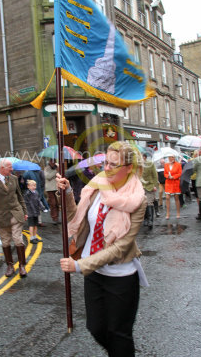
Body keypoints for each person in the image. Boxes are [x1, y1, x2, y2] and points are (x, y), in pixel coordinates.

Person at [58, 141, 147, 357]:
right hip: (95, 275)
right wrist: (68, 192)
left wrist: (80, 265)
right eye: (105, 162)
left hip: (121, 276)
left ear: (129, 168)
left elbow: (122, 246)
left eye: (113, 165)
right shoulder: (97, 188)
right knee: (95, 328)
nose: (106, 168)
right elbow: (76, 218)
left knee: (119, 333)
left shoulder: (137, 199)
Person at [24, 180, 44, 244]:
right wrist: (34, 210)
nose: (34, 187)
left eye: (35, 185)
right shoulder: (27, 194)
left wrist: (41, 206)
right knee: (31, 225)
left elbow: (38, 200)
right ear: (28, 186)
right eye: (32, 185)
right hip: (30, 212)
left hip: (36, 211)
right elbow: (29, 203)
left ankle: (35, 237)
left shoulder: (36, 192)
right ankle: (31, 238)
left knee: (35, 225)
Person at [141, 153, 158, 228]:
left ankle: (150, 220)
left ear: (144, 157)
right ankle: (145, 219)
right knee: (143, 204)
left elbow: (155, 175)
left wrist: (154, 185)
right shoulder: (137, 165)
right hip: (141, 187)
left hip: (149, 186)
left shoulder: (150, 164)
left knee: (149, 202)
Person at [164, 155, 182, 219]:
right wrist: (168, 176)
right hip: (168, 183)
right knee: (167, 198)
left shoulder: (178, 164)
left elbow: (180, 173)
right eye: (171, 157)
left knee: (176, 198)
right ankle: (168, 213)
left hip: (175, 183)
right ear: (169, 158)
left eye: (174, 157)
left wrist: (173, 177)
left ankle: (178, 213)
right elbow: (165, 173)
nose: (173, 158)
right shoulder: (166, 165)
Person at [44, 159, 60, 224]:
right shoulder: (46, 168)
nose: (53, 163)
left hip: (56, 187)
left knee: (57, 203)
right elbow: (48, 177)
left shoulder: (57, 167)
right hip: (50, 189)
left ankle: (57, 217)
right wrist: (56, 171)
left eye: (54, 161)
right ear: (50, 162)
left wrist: (58, 170)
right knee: (53, 204)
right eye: (52, 161)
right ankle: (54, 218)